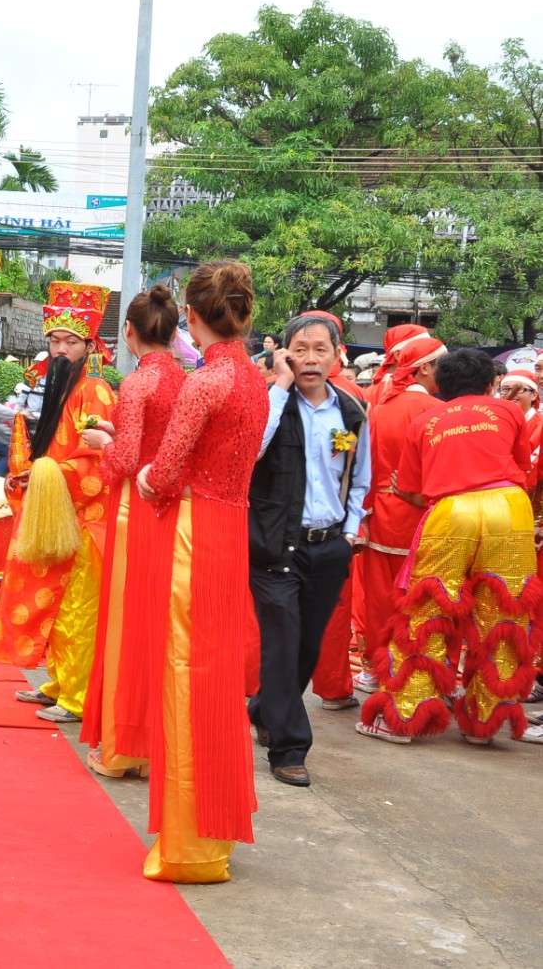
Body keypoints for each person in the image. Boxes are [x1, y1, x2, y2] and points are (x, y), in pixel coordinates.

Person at [132, 259, 264, 884]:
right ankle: (214, 833)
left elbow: (164, 473)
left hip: (193, 534)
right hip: (230, 532)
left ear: (191, 315)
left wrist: (142, 477)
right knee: (216, 681)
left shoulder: (205, 383)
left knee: (183, 680)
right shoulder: (256, 381)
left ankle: (188, 844)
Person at [357, 348, 538, 746]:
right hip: (509, 508)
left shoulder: (425, 421)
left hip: (451, 511)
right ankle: (483, 721)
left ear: (441, 385)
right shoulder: (508, 411)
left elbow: (410, 491)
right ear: (490, 384)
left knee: (430, 612)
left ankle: (404, 717)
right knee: (502, 613)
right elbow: (522, 467)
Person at [246, 312, 371, 788]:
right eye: (300, 350)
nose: (311, 359)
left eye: (321, 349)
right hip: (275, 546)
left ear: (337, 355)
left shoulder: (352, 411)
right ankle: (289, 747)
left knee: (306, 648)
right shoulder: (271, 402)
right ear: (285, 354)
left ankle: (264, 709)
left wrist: (349, 532)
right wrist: (279, 384)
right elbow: (251, 451)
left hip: (328, 547)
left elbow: (359, 477)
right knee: (282, 645)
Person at [0, 282, 116, 725]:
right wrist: (30, 473)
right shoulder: (61, 386)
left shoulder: (95, 390)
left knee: (78, 610)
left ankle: (78, 698)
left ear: (90, 346)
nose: (61, 349)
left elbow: (96, 463)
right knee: (59, 606)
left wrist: (44, 474)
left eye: (71, 342)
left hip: (86, 519)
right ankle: (60, 684)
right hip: (60, 512)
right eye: (55, 341)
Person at [76, 284, 187, 779]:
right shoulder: (183, 379)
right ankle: (147, 745)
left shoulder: (139, 383)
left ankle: (121, 749)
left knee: (125, 626)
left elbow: (124, 460)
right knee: (156, 629)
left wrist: (104, 441)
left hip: (133, 510)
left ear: (129, 332)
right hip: (170, 511)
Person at [346, 334, 446, 711]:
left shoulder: (380, 404)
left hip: (379, 514)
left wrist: (363, 512)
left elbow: (363, 462)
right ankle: (414, 673)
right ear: (425, 367)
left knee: (377, 599)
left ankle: (376, 669)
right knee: (420, 599)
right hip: (421, 515)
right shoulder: (435, 409)